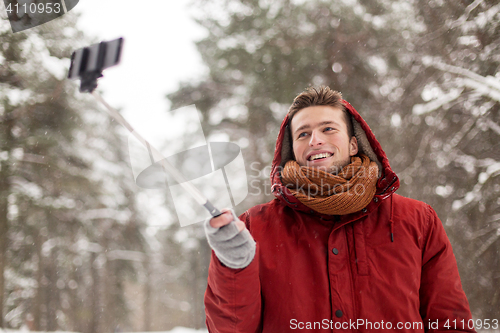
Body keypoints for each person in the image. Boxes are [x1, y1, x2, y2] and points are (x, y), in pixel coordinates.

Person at [203, 86, 476, 332]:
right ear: (293, 150)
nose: (315, 140)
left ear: (354, 143)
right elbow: (231, 330)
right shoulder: (256, 227)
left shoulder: (417, 220)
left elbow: (450, 322)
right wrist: (232, 265)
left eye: (328, 129)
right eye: (303, 134)